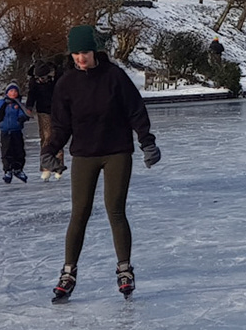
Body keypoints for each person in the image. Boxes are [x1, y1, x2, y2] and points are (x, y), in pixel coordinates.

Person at [46, 24, 162, 302]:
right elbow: (61, 125)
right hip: (84, 154)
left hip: (116, 152)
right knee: (79, 213)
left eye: (84, 52)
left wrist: (147, 141)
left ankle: (124, 269)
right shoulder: (66, 84)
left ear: (95, 51)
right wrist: (50, 149)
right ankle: (68, 272)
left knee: (115, 210)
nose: (80, 58)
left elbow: (135, 110)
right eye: (75, 53)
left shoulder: (114, 77)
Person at [27, 55, 61, 179]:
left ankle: (58, 165)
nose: (41, 80)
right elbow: (31, 95)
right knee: (46, 137)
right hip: (42, 111)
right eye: (39, 78)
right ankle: (46, 167)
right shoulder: (34, 82)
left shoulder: (55, 79)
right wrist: (29, 107)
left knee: (57, 135)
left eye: (43, 78)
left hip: (56, 110)